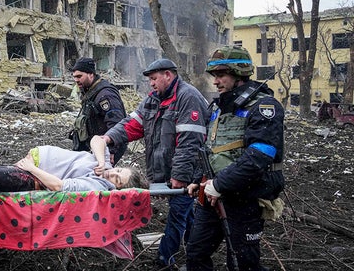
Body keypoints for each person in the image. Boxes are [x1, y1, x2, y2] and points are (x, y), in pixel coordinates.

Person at [100, 58, 209, 269]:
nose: (151, 83)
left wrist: (180, 176)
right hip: (167, 171)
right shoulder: (153, 99)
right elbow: (132, 124)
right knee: (185, 213)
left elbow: (190, 144)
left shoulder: (188, 98)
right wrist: (108, 138)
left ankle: (164, 258)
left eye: (154, 78)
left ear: (168, 75)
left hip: (186, 173)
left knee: (178, 214)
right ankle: (197, 250)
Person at [185, 46, 285, 271]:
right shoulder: (219, 107)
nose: (216, 81)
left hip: (244, 198)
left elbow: (260, 156)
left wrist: (219, 184)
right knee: (195, 253)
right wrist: (196, 179)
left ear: (239, 73)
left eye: (221, 75)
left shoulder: (263, 107)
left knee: (242, 262)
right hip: (211, 195)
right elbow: (211, 148)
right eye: (214, 76)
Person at [0, 136, 142, 193]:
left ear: (117, 189)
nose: (112, 174)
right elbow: (97, 140)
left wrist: (31, 167)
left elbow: (57, 186)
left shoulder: (98, 186)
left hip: (33, 178)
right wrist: (102, 161)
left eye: (117, 180)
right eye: (118, 171)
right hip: (31, 165)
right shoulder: (102, 166)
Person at [70, 57, 127, 164]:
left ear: (91, 74)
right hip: (96, 145)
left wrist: (111, 150)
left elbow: (116, 123)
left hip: (106, 146)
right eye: (74, 77)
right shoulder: (91, 91)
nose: (76, 80)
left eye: (79, 76)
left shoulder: (105, 94)